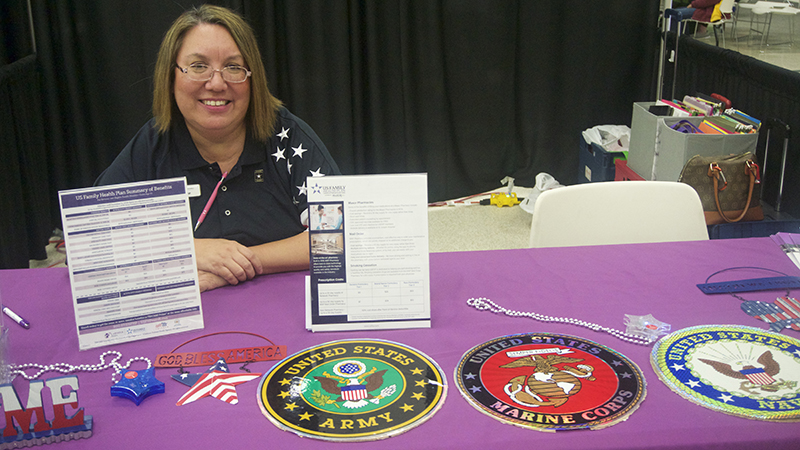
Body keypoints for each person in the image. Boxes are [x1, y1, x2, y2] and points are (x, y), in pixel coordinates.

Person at [95, 5, 340, 292]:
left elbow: (337, 236)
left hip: (284, 306)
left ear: (252, 79)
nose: (216, 83)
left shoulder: (288, 137)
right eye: (199, 66)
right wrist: (193, 250)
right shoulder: (153, 145)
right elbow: (93, 236)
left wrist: (234, 265)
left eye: (233, 67)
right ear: (170, 76)